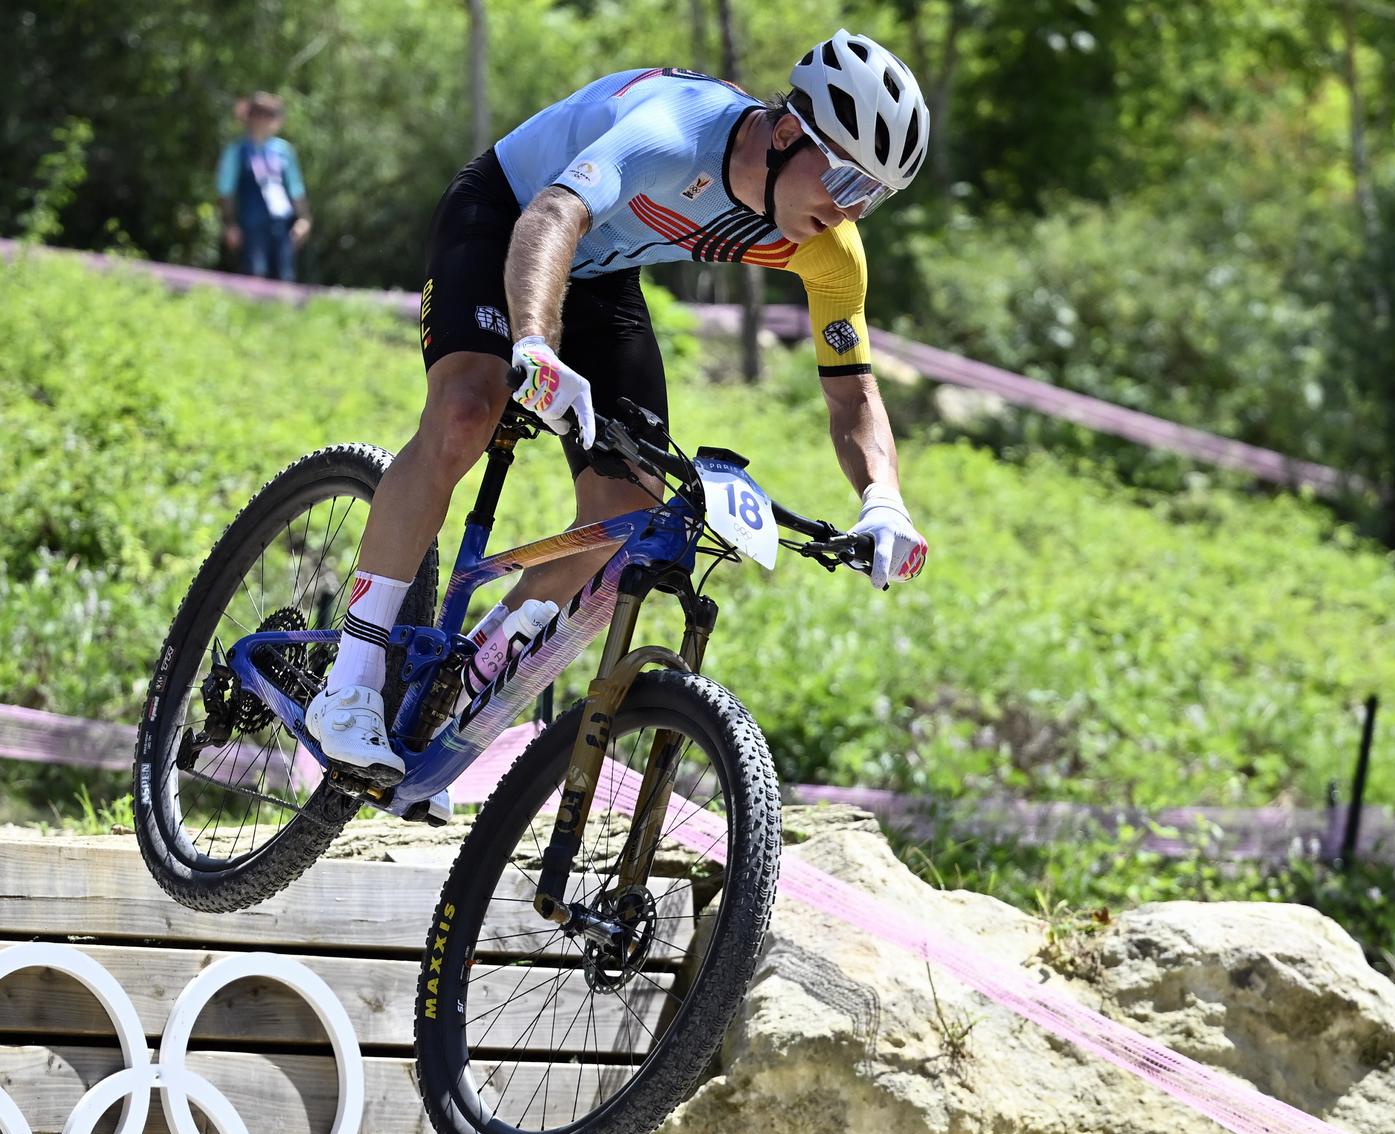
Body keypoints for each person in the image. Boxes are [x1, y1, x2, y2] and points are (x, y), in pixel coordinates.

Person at [305, 31, 933, 784]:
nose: (848, 210)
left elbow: (853, 391)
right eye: (845, 181)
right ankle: (351, 675)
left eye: (873, 197)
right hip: (511, 215)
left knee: (627, 509)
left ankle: (468, 675)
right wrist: (535, 348)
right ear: (791, 133)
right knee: (469, 408)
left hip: (605, 269)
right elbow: (552, 217)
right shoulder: (675, 131)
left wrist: (883, 499)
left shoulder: (830, 248)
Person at [217, 92, 311, 281]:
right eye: (260, 114)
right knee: (255, 276)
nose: (265, 120)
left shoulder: (284, 151)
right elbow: (226, 192)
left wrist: (304, 219)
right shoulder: (237, 151)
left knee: (284, 277)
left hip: (282, 226)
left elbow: (296, 189)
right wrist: (229, 224)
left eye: (271, 115)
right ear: (250, 117)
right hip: (250, 226)